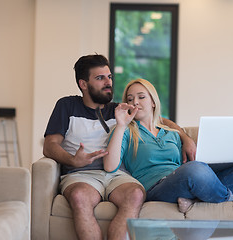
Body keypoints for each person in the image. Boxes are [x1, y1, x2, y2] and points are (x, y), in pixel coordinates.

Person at [43, 55, 197, 240]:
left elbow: (160, 120)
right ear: (83, 84)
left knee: (135, 194)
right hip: (81, 174)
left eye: (109, 77)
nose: (108, 82)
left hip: (119, 174)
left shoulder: (119, 109)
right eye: (100, 78)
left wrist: (185, 137)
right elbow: (50, 146)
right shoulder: (66, 106)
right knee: (80, 197)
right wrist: (73, 160)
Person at [103, 78, 233, 213]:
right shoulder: (125, 131)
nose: (135, 102)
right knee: (196, 170)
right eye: (130, 99)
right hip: (157, 187)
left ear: (153, 102)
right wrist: (121, 125)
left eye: (141, 97)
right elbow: (110, 166)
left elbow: (184, 164)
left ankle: (196, 200)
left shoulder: (171, 133)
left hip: (185, 178)